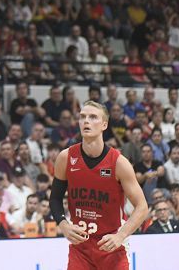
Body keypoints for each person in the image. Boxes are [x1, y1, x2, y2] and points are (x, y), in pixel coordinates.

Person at [52, 101, 149, 270]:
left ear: (104, 125)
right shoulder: (65, 157)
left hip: (112, 247)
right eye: (82, 117)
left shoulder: (119, 163)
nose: (86, 121)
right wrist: (63, 225)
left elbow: (142, 207)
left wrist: (121, 235)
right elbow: (55, 198)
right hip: (80, 248)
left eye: (93, 117)